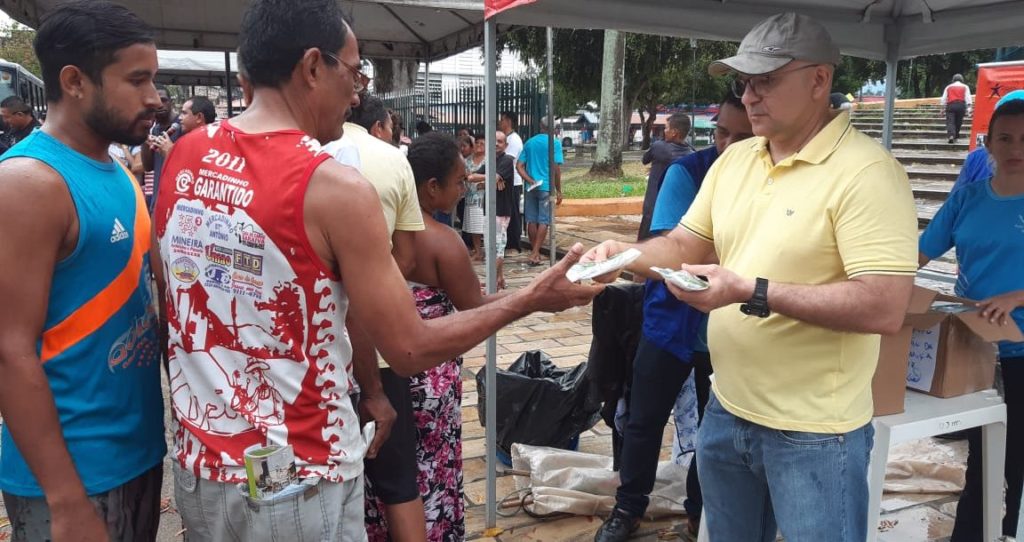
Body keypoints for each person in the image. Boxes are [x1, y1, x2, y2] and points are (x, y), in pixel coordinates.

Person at [151, 2, 602, 541]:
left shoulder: (186, 154)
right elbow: (408, 347)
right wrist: (528, 299)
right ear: (313, 67)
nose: (359, 91)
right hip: (297, 474)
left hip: (202, 466)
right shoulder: (332, 188)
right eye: (354, 70)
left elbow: (171, 300)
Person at [582, 13, 919, 541]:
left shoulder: (868, 173)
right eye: (744, 83)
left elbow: (883, 305)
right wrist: (626, 256)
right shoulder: (737, 160)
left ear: (819, 80)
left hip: (815, 432)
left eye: (766, 82)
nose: (751, 96)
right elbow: (687, 244)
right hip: (729, 409)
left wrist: (751, 291)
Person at [0, 2, 165, 541]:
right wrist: (65, 499)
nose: (155, 98)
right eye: (137, 79)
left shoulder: (115, 170)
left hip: (135, 456)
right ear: (74, 81)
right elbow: (8, 349)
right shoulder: (30, 183)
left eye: (154, 79)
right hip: (73, 480)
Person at [594, 92, 754, 542]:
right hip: (671, 323)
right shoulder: (689, 171)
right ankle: (628, 508)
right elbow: (679, 246)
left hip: (730, 329)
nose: (729, 144)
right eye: (722, 131)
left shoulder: (769, 181)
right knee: (645, 420)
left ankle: (700, 511)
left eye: (743, 137)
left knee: (715, 428)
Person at [365, 132, 508, 540]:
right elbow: (474, 307)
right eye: (459, 181)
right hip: (428, 374)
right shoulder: (444, 244)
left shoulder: (375, 231)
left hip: (377, 369)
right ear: (431, 188)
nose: (464, 189)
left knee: (387, 477)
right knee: (430, 471)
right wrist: (529, 296)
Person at [920, 90, 1024, 542]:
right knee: (982, 454)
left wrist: (1016, 296)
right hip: (973, 345)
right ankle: (972, 533)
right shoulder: (968, 198)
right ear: (988, 143)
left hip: (1020, 350)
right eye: (1005, 138)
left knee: (1016, 455)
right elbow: (918, 253)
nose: (1016, 150)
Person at [324, 92, 427, 542]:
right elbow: (406, 257)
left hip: (314, 357)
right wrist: (367, 281)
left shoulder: (292, 155)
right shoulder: (390, 159)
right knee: (399, 481)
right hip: (378, 345)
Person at [638, 113, 694, 241]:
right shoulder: (692, 153)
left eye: (666, 128)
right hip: (677, 209)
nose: (664, 131)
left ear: (674, 132)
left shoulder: (659, 147)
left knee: (644, 242)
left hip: (654, 204)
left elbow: (645, 159)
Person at [517, 116, 564, 266]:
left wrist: (529, 180)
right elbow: (556, 169)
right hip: (546, 187)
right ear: (553, 129)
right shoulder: (554, 143)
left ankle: (534, 252)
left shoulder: (530, 142)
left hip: (531, 187)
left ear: (540, 126)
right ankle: (535, 253)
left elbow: (519, 166)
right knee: (544, 220)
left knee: (531, 219)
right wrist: (559, 190)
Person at [141, 84, 179, 208]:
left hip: (178, 201)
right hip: (158, 199)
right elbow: (148, 166)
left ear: (171, 102)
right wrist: (145, 135)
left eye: (164, 100)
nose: (160, 104)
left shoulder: (182, 126)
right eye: (156, 101)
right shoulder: (155, 129)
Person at [147, 95, 216, 156]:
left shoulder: (212, 144)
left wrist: (171, 152)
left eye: (184, 113)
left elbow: (191, 169)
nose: (180, 117)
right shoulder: (188, 141)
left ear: (199, 117)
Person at [492, 131, 517, 289]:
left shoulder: (507, 159)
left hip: (501, 211)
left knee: (497, 247)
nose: (496, 144)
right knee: (492, 247)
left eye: (500, 142)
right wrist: (490, 179)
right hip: (491, 209)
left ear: (506, 145)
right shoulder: (491, 160)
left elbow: (493, 177)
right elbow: (472, 176)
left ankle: (493, 281)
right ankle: (500, 278)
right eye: (493, 140)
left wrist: (491, 179)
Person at [500, 111, 525, 253]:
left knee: (513, 214)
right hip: (505, 181)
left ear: (508, 121)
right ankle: (507, 243)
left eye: (502, 119)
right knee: (506, 213)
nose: (499, 122)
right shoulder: (506, 138)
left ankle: (514, 245)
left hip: (513, 182)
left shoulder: (514, 139)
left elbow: (507, 160)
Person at [464, 135, 487, 260]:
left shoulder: (489, 160)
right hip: (470, 196)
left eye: (482, 143)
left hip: (484, 197)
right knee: (473, 225)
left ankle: (487, 251)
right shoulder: (467, 160)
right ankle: (478, 251)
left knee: (484, 224)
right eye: (477, 143)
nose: (479, 145)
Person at [942, 73, 973, 144]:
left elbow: (943, 98)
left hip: (951, 105)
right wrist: (969, 108)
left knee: (950, 121)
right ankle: (956, 136)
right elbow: (968, 98)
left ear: (953, 79)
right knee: (958, 122)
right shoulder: (965, 87)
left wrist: (942, 108)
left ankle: (951, 135)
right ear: (962, 79)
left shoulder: (948, 87)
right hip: (961, 105)